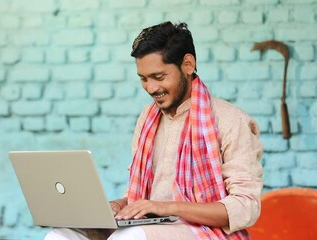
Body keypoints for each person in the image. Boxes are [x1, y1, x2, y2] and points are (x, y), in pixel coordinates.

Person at [45, 21, 263, 240]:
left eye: (159, 77)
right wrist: (117, 205)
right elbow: (140, 197)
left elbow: (246, 207)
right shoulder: (147, 120)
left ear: (187, 65)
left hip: (202, 232)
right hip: (150, 227)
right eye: (143, 79)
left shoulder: (230, 120)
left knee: (130, 237)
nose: (151, 88)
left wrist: (169, 207)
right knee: (61, 235)